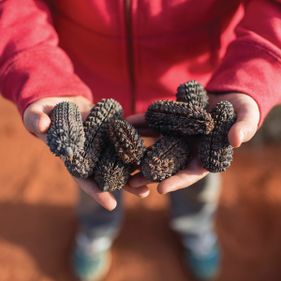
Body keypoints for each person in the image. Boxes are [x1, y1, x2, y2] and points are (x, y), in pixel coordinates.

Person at [1, 0, 280, 280]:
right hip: (87, 97)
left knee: (197, 178)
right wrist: (39, 72)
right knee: (93, 180)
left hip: (202, 91)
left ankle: (194, 226)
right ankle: (97, 230)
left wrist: (253, 74)